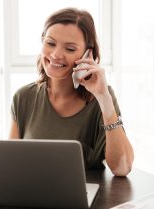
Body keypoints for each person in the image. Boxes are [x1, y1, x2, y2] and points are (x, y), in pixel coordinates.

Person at [9, 7, 134, 176]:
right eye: (50, 43)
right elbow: (10, 163)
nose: (55, 55)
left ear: (87, 54)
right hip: (32, 196)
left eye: (70, 49)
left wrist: (104, 99)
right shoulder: (23, 97)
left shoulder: (102, 98)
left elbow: (122, 168)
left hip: (83, 198)